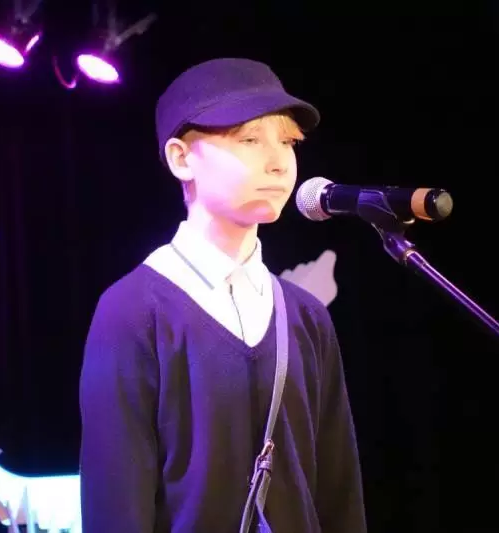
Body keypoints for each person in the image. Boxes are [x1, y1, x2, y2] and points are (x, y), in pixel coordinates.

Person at [79, 57, 367, 533]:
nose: (278, 162)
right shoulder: (132, 311)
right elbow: (116, 504)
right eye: (249, 140)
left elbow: (340, 495)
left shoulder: (306, 316)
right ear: (181, 158)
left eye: (288, 142)